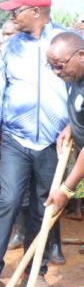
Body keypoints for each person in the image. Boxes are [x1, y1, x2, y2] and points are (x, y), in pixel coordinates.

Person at [0, 0, 67, 287]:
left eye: (16, 10)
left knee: (44, 207)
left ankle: (36, 271)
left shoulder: (67, 43)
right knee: (10, 199)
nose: (12, 16)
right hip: (16, 139)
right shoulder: (9, 49)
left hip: (55, 142)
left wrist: (73, 123)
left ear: (36, 11)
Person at [45, 31, 84, 256]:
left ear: (81, 55)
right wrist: (72, 127)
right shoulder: (74, 77)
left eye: (59, 66)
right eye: (51, 66)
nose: (56, 72)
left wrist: (67, 189)